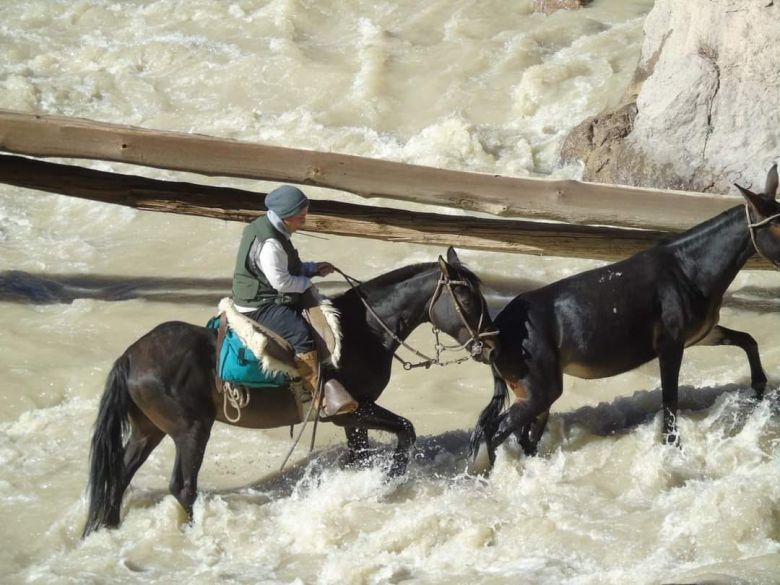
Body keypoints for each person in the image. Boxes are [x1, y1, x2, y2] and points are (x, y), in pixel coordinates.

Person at [231, 184, 358, 417]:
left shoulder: (270, 227)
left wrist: (313, 269)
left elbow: (288, 267)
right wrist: (308, 283)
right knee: (301, 336)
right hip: (259, 304)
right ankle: (316, 395)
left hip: (265, 291)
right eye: (300, 218)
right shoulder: (271, 244)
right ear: (286, 217)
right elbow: (281, 282)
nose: (303, 222)